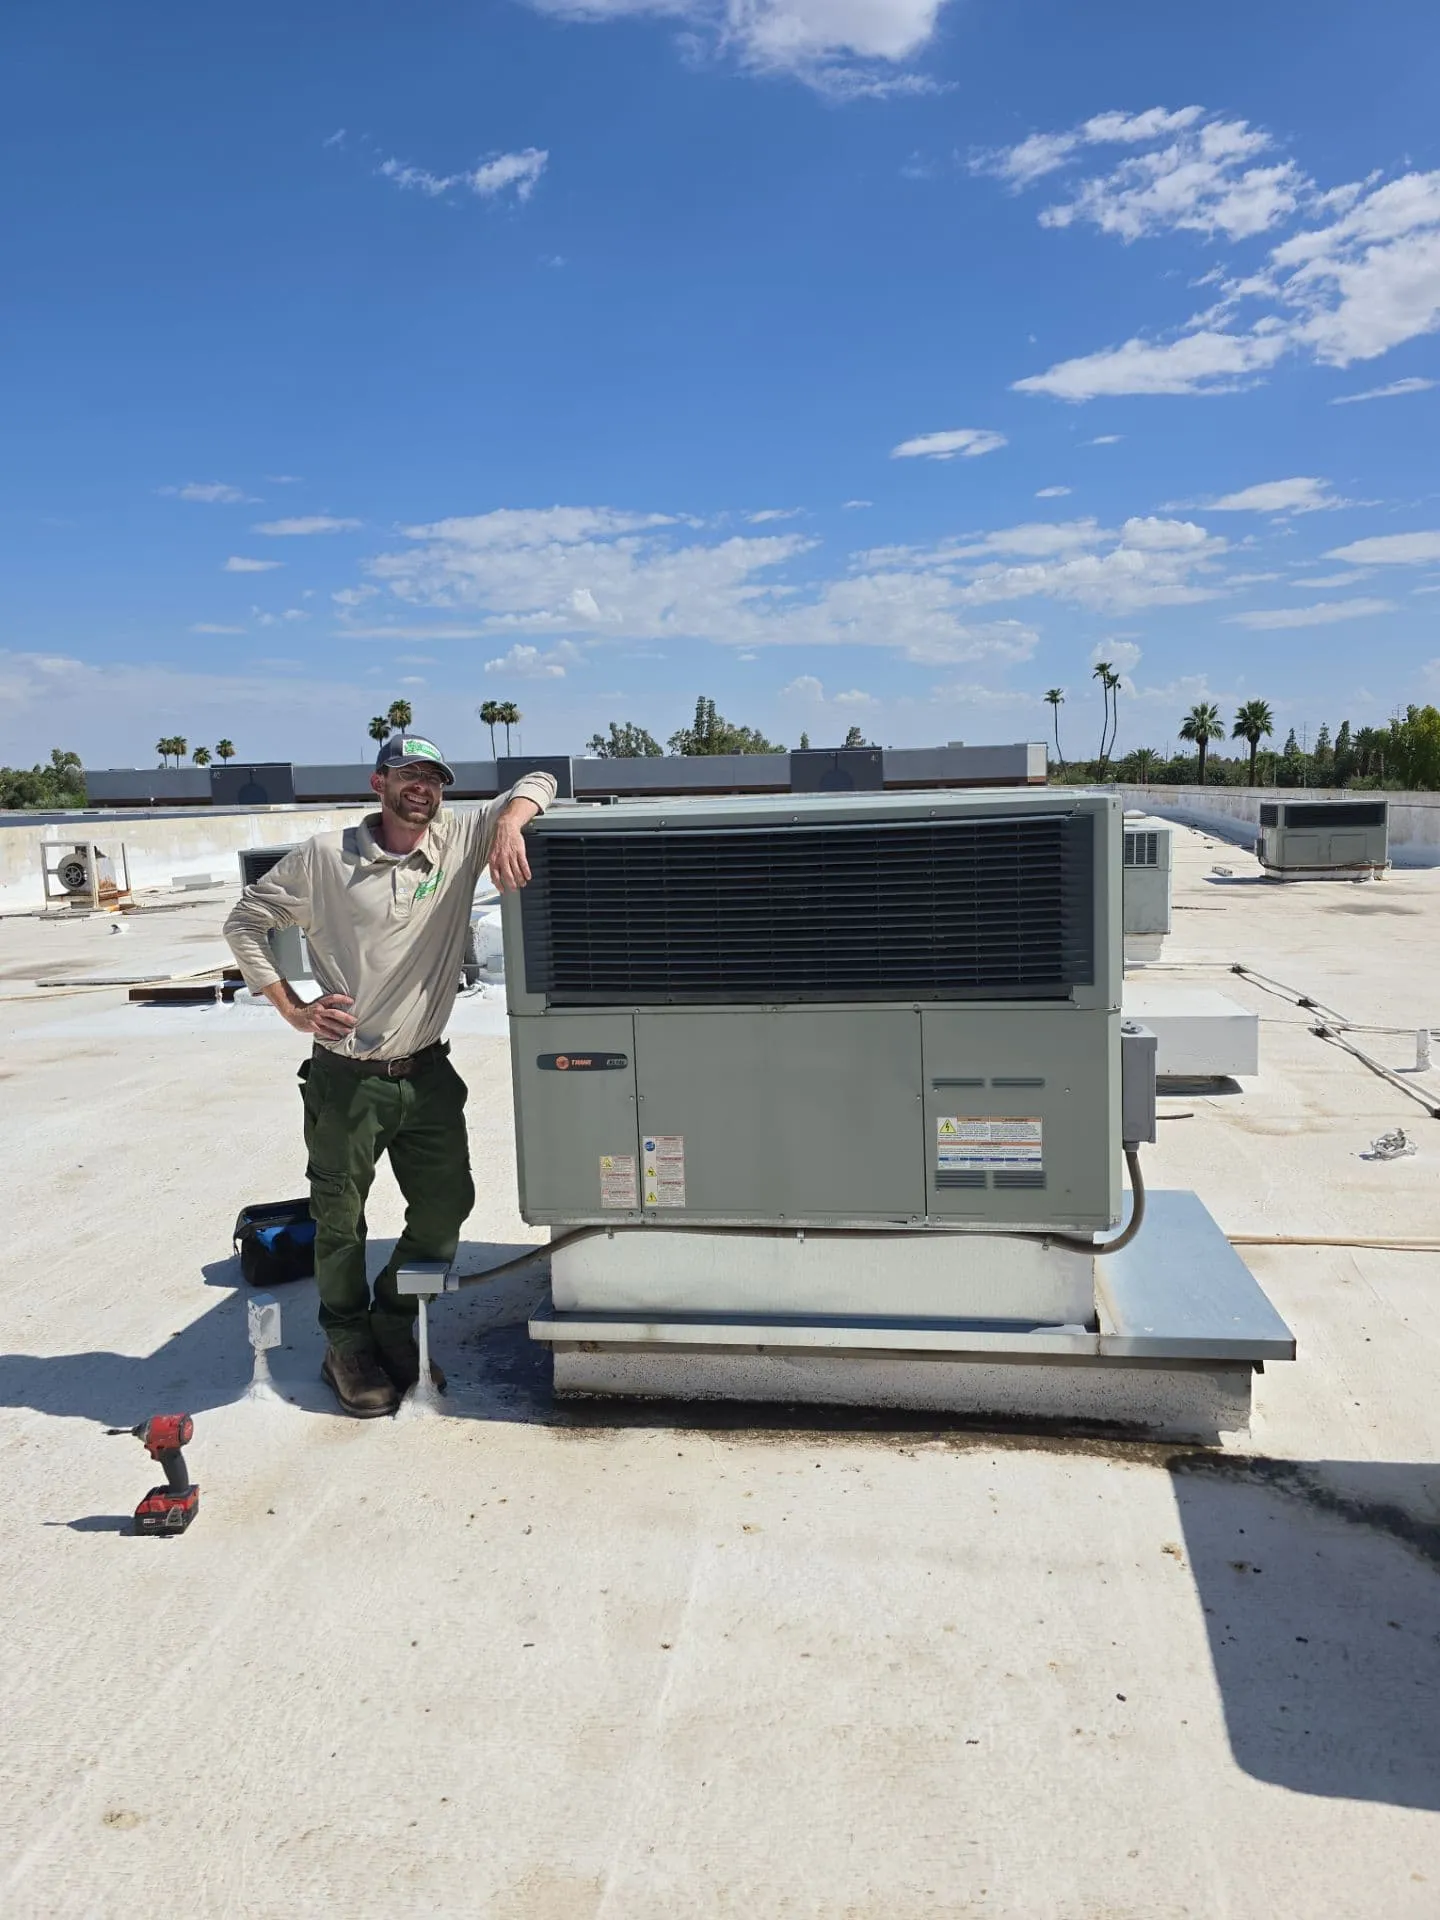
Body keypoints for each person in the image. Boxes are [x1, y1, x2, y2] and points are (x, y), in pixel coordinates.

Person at [224, 735, 556, 1416]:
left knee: (446, 1209)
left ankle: (392, 1318)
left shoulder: (459, 839)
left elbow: (542, 778)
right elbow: (246, 921)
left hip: (428, 1074)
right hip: (347, 1079)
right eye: (408, 775)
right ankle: (346, 1345)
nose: (422, 788)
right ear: (379, 781)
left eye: (433, 778)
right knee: (339, 1219)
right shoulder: (324, 858)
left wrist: (512, 824)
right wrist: (291, 1006)